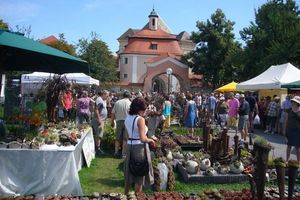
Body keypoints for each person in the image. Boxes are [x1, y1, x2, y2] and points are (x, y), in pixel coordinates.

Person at [124, 97, 155, 195]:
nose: (144, 112)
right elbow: (143, 138)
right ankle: (138, 196)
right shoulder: (140, 119)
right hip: (139, 149)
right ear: (140, 109)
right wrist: (151, 140)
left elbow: (127, 135)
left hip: (129, 146)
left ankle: (126, 196)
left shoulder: (127, 117)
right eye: (144, 109)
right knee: (139, 176)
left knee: (128, 174)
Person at [111, 91, 131, 158]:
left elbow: (113, 113)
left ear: (123, 95)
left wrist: (112, 121)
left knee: (118, 138)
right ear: (129, 96)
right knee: (125, 138)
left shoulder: (118, 102)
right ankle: (123, 153)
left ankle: (116, 152)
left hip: (119, 121)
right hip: (127, 122)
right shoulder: (130, 103)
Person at [93, 90, 109, 154]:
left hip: (102, 119)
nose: (107, 97)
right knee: (98, 134)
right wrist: (99, 119)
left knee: (99, 134)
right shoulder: (99, 100)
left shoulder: (102, 100)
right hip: (99, 120)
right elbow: (96, 109)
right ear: (104, 94)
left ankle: (98, 147)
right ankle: (98, 148)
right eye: (107, 95)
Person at [285, 96, 300, 163]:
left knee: (297, 147)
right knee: (289, 145)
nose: (293, 103)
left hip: (297, 130)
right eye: (292, 101)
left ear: (297, 103)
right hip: (289, 130)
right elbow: (287, 120)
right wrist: (285, 129)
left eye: (294, 102)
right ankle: (287, 160)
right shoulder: (290, 110)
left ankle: (298, 161)